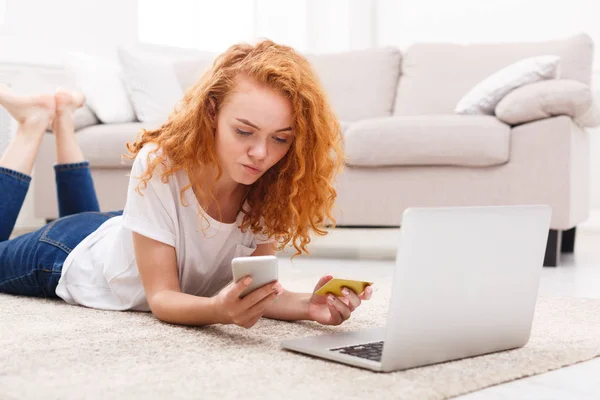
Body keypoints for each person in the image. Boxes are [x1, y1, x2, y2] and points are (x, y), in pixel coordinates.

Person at [0, 40, 372, 328]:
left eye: (280, 138)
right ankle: (33, 126)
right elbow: (163, 298)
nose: (261, 153)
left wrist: (310, 304)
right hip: (67, 254)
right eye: (244, 131)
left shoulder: (268, 182)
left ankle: (62, 119)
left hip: (125, 233)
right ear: (212, 111)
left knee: (91, 218)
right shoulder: (162, 164)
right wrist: (217, 310)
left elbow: (259, 292)